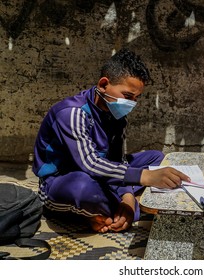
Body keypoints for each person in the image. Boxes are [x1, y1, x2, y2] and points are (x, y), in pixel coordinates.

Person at [33, 48, 190, 233]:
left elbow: (117, 161)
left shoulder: (116, 115)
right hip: (64, 180)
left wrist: (128, 198)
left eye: (136, 98)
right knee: (84, 188)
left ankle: (105, 211)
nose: (132, 104)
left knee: (156, 158)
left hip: (100, 175)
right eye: (128, 96)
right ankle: (102, 210)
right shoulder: (73, 113)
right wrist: (144, 178)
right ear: (103, 84)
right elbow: (89, 164)